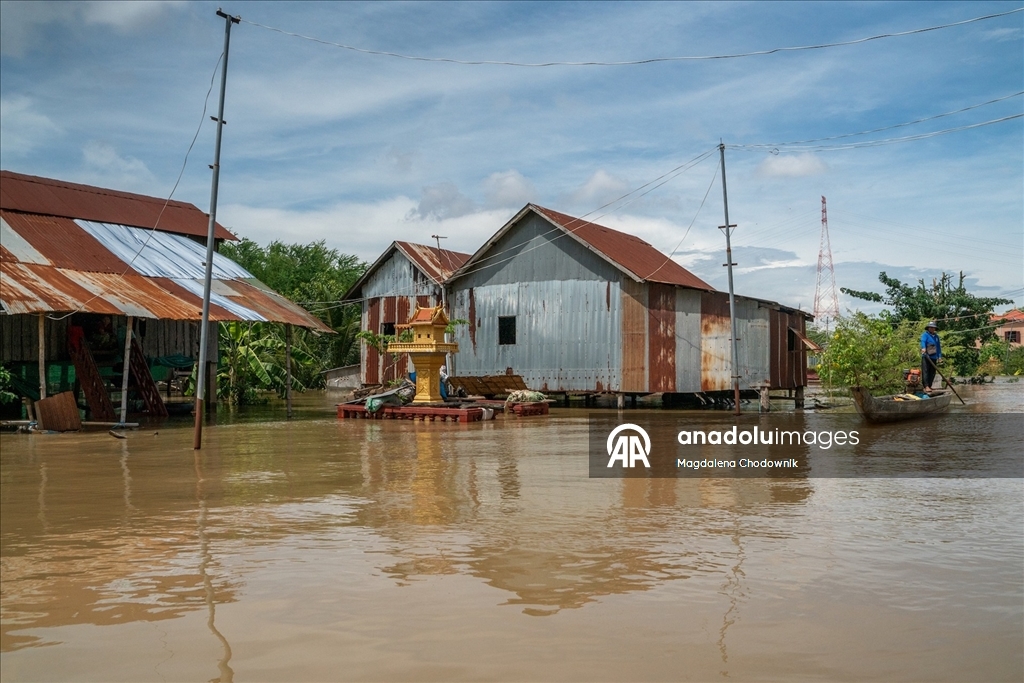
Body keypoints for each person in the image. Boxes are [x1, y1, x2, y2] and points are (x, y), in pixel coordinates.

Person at [920, 321, 942, 390]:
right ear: (928, 328)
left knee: (932, 372)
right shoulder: (925, 335)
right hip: (926, 357)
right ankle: (926, 386)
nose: (932, 329)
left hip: (934, 357)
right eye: (931, 327)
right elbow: (923, 342)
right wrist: (923, 348)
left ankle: (929, 385)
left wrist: (939, 357)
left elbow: (938, 347)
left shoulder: (936, 337)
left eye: (933, 328)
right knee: (925, 371)